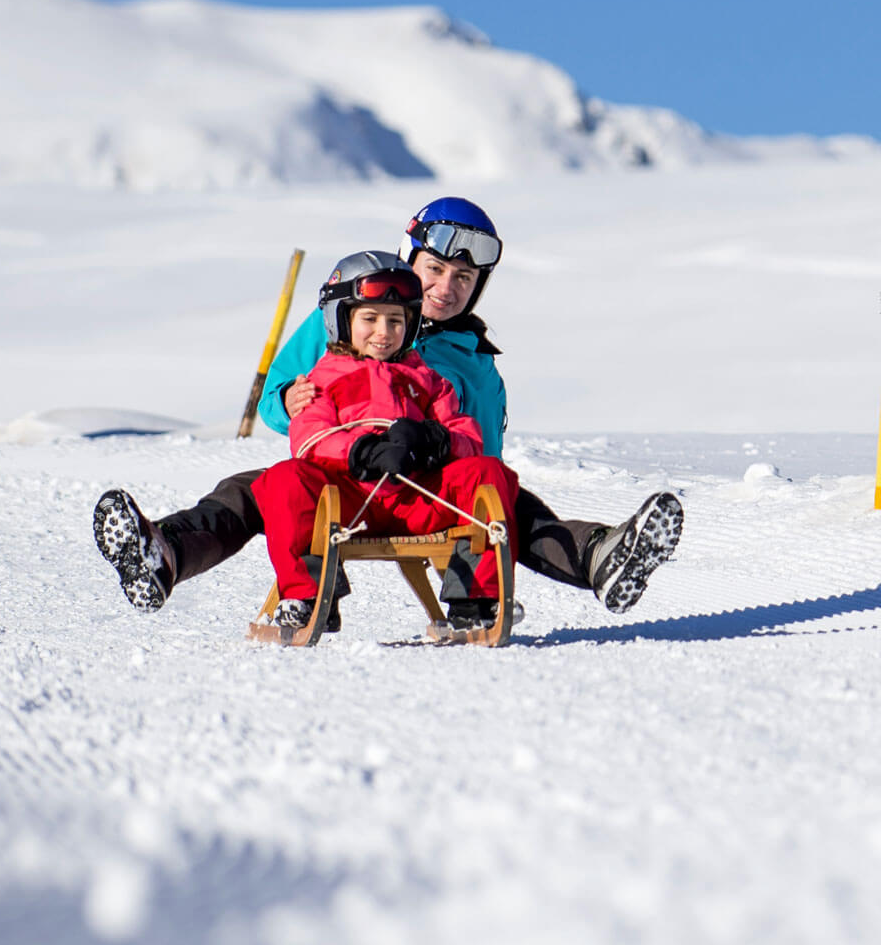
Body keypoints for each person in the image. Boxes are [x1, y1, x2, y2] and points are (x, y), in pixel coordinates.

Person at [93, 196, 682, 618]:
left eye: (463, 277)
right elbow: (282, 398)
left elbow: (483, 457)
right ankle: (163, 552)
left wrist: (444, 455)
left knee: (512, 502)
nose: (446, 288)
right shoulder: (351, 310)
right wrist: (289, 402)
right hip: (337, 472)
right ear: (408, 259)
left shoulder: (471, 357)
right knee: (251, 489)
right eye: (434, 269)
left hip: (430, 486)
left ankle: (601, 556)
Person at [251, 250, 518, 630]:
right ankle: (307, 596)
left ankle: (475, 599)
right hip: (348, 503)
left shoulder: (427, 379)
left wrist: (435, 441)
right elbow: (311, 440)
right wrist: (361, 452)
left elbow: (467, 435)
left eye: (396, 321)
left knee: (488, 472)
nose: (384, 332)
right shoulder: (322, 379)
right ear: (342, 321)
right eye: (370, 319)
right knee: (284, 479)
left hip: (418, 497)